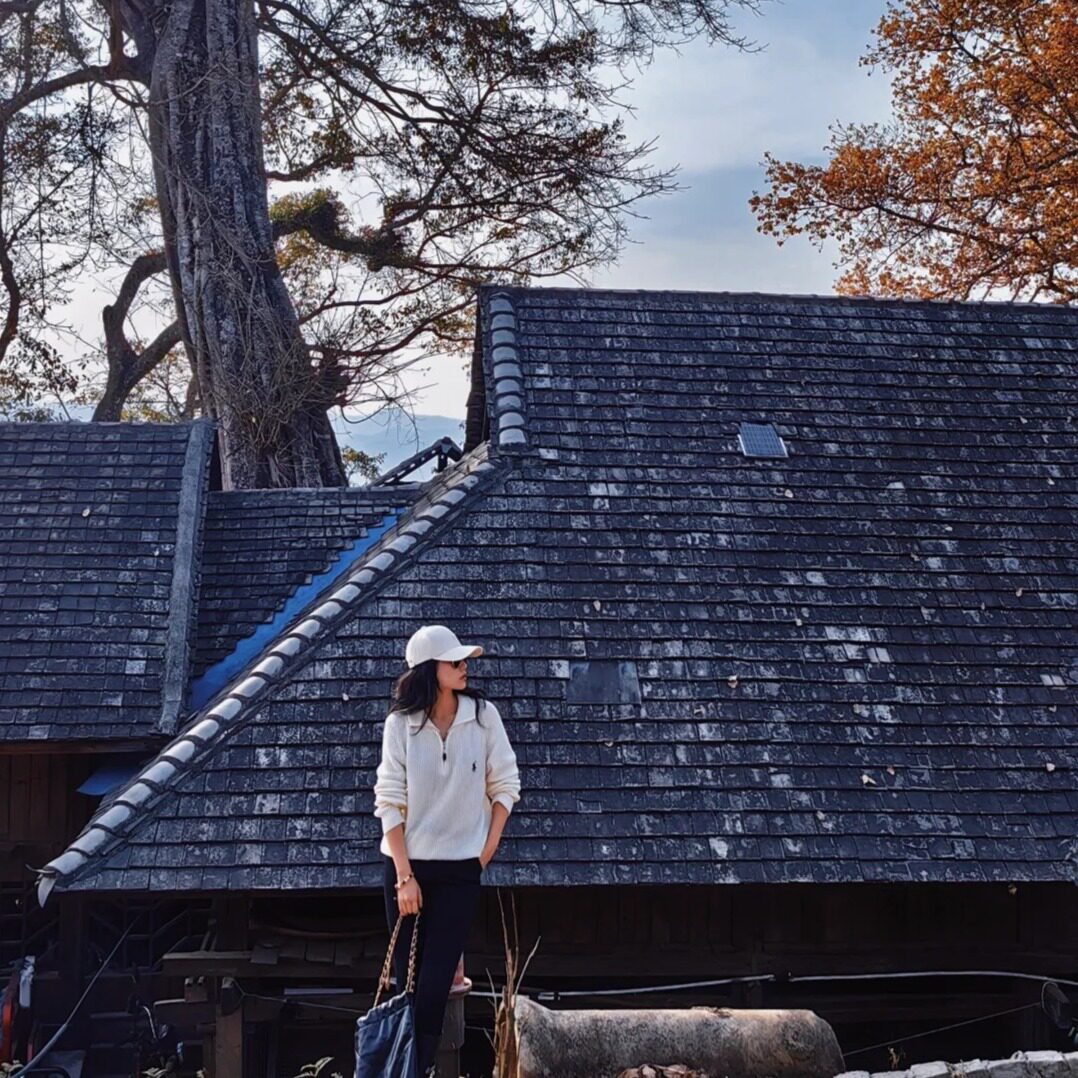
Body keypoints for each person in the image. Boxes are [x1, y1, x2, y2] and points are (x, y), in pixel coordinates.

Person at [373, 624, 522, 1078]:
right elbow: (389, 799)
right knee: (409, 982)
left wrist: (486, 849)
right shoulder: (400, 724)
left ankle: (413, 1070)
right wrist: (404, 876)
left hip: (461, 869)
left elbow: (506, 784)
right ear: (429, 669)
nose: (464, 667)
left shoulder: (482, 715)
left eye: (464, 661)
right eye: (454, 661)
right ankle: (408, 1069)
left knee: (436, 983)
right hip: (407, 868)